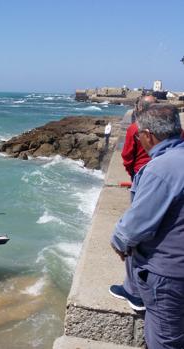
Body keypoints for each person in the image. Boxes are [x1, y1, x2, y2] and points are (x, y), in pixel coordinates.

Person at [110, 104, 184, 349]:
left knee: (165, 340)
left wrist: (118, 241)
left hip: (169, 274)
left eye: (138, 134)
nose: (138, 138)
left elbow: (135, 226)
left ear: (148, 135)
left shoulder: (160, 170)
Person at [121, 95, 157, 180]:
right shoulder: (170, 126)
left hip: (141, 172)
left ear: (140, 108)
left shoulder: (134, 128)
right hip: (165, 172)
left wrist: (132, 173)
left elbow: (127, 155)